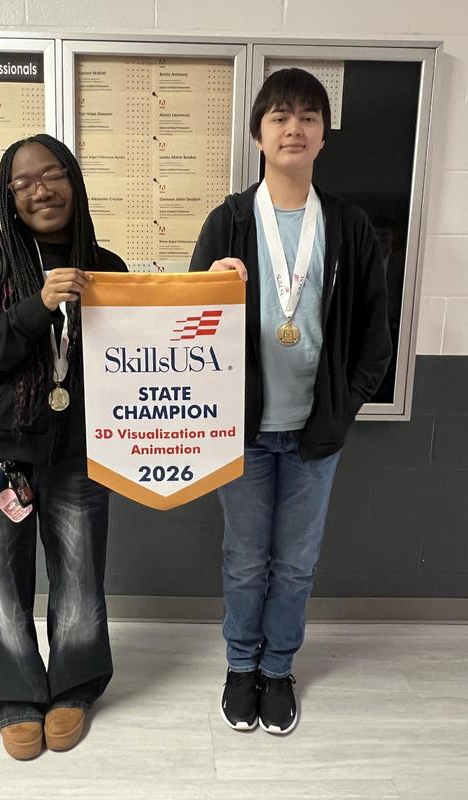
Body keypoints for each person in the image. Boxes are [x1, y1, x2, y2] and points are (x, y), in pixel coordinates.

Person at [190, 69, 391, 735]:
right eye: (279, 116)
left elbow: (374, 335)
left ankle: (278, 670)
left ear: (324, 135)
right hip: (242, 433)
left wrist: (343, 406)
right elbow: (181, 327)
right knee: (245, 560)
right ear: (257, 134)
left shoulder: (351, 227)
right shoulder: (227, 221)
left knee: (297, 564)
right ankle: (240, 665)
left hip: (314, 434)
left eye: (307, 116)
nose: (293, 128)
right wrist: (208, 289)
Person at [0, 133, 127, 759]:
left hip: (80, 450)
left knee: (80, 580)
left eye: (52, 174)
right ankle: (15, 699)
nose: (40, 189)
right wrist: (38, 304)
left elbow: (137, 360)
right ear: (10, 196)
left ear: (74, 182)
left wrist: (212, 284)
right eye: (23, 182)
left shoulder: (105, 264)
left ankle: (75, 688)